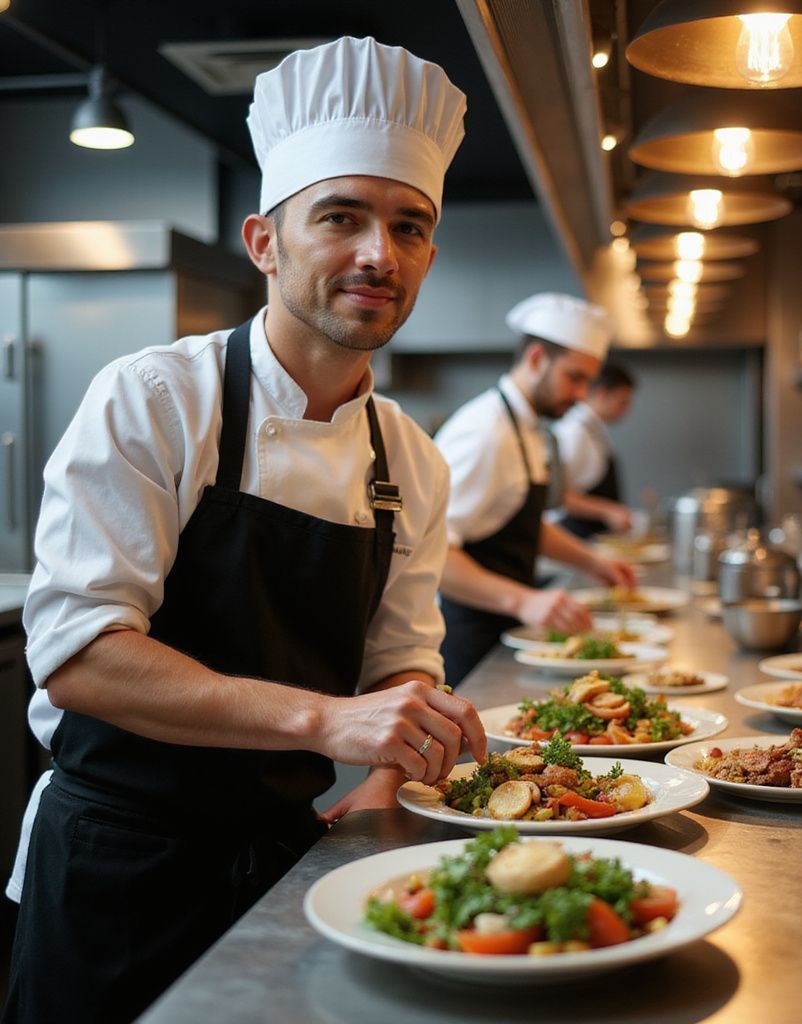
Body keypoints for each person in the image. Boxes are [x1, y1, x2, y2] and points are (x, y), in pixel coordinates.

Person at [2, 36, 486, 1024]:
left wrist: (392, 765)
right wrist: (325, 719)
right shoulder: (156, 399)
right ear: (265, 242)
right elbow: (79, 657)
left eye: (409, 226)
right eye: (341, 218)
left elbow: (403, 660)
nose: (377, 255)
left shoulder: (413, 462)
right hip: (114, 862)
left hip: (284, 857)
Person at [435, 292, 637, 687]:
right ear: (536, 359)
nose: (582, 395)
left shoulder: (527, 429)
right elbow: (431, 552)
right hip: (466, 636)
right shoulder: (486, 433)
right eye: (574, 378)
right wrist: (525, 600)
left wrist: (590, 561)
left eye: (588, 382)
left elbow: (516, 522)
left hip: (502, 630)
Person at [553, 362, 637, 539]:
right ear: (601, 394)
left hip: (593, 536)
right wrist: (609, 511)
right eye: (623, 402)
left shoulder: (596, 430)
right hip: (573, 535)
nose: (627, 409)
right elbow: (558, 496)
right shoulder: (574, 432)